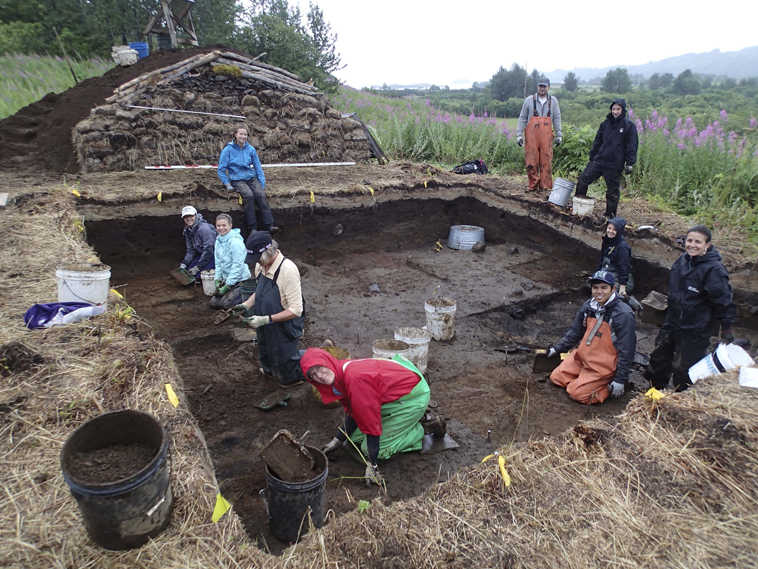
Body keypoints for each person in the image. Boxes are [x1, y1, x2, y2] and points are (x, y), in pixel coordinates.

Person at [300, 348, 431, 487]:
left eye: (320, 368)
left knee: (374, 450)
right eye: (313, 375)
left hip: (413, 394)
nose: (319, 375)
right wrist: (338, 440)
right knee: (354, 438)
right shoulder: (340, 374)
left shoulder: (355, 380)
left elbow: (371, 425)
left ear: (328, 361)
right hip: (396, 385)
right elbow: (354, 411)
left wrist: (372, 466)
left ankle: (420, 430)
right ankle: (406, 420)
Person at [646, 225, 736, 392]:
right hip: (673, 322)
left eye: (698, 242)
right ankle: (654, 393)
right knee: (658, 360)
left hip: (696, 329)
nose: (692, 245)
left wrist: (727, 328)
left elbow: (723, 301)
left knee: (684, 369)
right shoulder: (682, 261)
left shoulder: (714, 270)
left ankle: (679, 399)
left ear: (707, 245)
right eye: (690, 241)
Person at [549, 270, 636, 404]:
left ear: (613, 289)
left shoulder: (623, 314)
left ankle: (607, 385)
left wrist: (620, 380)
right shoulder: (589, 306)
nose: (599, 292)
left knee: (576, 393)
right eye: (595, 288)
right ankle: (585, 379)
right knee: (556, 378)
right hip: (582, 358)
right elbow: (575, 332)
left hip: (602, 366)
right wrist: (557, 349)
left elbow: (627, 349)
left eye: (604, 287)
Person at [234, 231, 304, 387]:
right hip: (263, 320)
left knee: (287, 363)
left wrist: (267, 319)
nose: (256, 263)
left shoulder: (287, 270)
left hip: (284, 324)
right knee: (265, 349)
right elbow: (259, 290)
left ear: (268, 253)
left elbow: (296, 310)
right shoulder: (261, 265)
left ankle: (296, 374)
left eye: (258, 259)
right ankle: (269, 371)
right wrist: (247, 304)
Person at [574, 99, 639, 219]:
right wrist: (592, 157)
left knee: (612, 191)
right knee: (583, 179)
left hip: (615, 164)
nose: (615, 112)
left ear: (623, 110)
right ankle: (578, 206)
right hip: (599, 160)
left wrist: (630, 163)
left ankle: (610, 216)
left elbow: (632, 145)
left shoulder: (629, 126)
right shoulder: (605, 124)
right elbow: (597, 141)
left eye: (618, 109)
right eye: (613, 109)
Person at [217, 126, 273, 234]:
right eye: (241, 134)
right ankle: (252, 228)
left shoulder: (250, 149)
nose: (243, 136)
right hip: (237, 179)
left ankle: (269, 225)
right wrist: (227, 183)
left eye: (245, 134)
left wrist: (261, 182)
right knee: (248, 196)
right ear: (235, 135)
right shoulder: (228, 150)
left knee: (261, 195)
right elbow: (221, 169)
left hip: (251, 178)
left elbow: (258, 167)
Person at [516, 78, 562, 191]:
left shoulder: (554, 101)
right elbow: (522, 117)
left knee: (546, 161)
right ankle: (533, 185)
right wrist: (519, 134)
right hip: (532, 136)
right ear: (537, 87)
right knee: (531, 161)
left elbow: (557, 118)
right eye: (540, 86)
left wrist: (559, 134)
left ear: (548, 87)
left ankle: (545, 187)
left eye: (544, 86)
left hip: (547, 137)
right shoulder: (529, 100)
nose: (542, 88)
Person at [209, 214, 252, 309]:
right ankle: (232, 293)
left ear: (230, 225)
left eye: (224, 225)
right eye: (218, 226)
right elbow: (218, 263)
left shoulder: (235, 242)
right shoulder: (218, 241)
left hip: (241, 280)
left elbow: (238, 266)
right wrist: (217, 279)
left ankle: (249, 294)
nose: (221, 228)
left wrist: (227, 286)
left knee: (226, 305)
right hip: (228, 279)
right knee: (213, 303)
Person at [598, 217, 634, 297]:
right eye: (609, 228)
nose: (610, 231)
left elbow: (624, 267)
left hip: (621, 279)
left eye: (614, 230)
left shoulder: (622, 247)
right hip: (608, 273)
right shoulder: (607, 241)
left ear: (619, 231)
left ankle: (629, 300)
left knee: (603, 292)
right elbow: (602, 260)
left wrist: (622, 287)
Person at [178, 205, 216, 278]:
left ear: (195, 215)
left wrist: (198, 267)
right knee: (188, 271)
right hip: (202, 254)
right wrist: (184, 263)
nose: (188, 218)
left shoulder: (204, 229)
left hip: (214, 255)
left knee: (199, 274)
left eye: (191, 216)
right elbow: (191, 250)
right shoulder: (187, 230)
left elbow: (209, 250)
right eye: (186, 217)